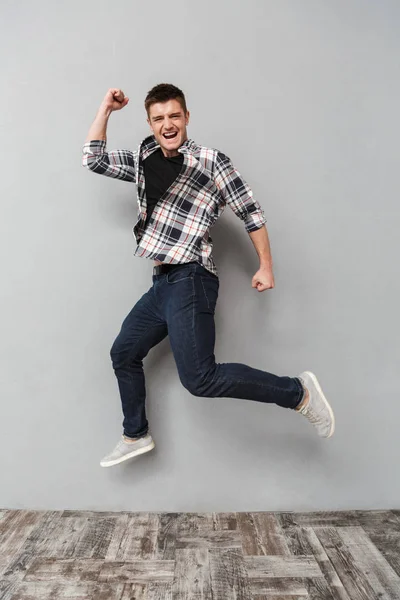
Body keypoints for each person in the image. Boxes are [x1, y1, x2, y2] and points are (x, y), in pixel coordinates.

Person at [82, 83, 335, 468]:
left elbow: (251, 212)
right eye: (159, 118)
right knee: (123, 352)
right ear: (150, 124)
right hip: (162, 283)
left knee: (200, 379)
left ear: (186, 118)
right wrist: (106, 109)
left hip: (192, 278)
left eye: (174, 116)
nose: (168, 125)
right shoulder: (144, 160)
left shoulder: (210, 161)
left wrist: (265, 265)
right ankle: (135, 433)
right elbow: (94, 159)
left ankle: (298, 393)